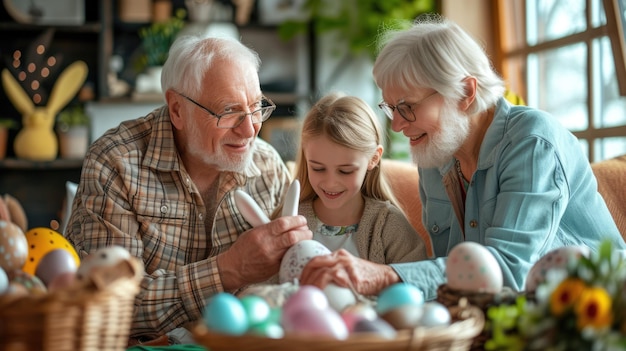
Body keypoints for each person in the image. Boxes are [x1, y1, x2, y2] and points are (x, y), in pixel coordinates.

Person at [299, 15, 626, 301]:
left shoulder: (532, 142)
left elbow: (508, 271)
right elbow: (455, 278)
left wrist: (386, 276)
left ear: (466, 93)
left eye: (407, 107)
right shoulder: (434, 154)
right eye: (391, 108)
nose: (397, 125)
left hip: (592, 314)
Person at [65, 35, 312, 341]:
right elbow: (106, 306)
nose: (250, 130)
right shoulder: (117, 162)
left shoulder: (267, 167)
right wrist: (228, 270)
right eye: (228, 111)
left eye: (257, 106)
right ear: (178, 109)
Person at [289, 92, 428, 262]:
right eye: (318, 168)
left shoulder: (388, 225)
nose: (331, 183)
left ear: (374, 159)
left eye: (345, 171)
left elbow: (415, 280)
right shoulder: (290, 220)